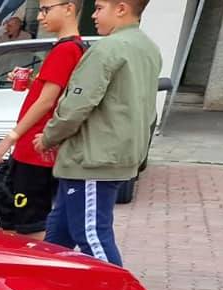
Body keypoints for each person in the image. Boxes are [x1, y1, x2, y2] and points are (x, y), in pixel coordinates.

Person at [36, 0, 161, 267]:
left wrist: (49, 136)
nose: (93, 15)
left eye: (99, 8)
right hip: (115, 153)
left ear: (121, 8)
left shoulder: (107, 49)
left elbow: (75, 106)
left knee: (92, 235)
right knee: (57, 238)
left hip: (93, 159)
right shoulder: (148, 48)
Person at [0, 0, 86, 239]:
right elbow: (52, 92)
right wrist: (31, 83)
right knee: (8, 210)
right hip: (32, 148)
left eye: (46, 10)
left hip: (35, 149)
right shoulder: (69, 47)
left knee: (29, 220)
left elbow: (46, 101)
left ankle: (31, 269)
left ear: (69, 8)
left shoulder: (67, 49)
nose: (41, 17)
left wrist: (9, 138)